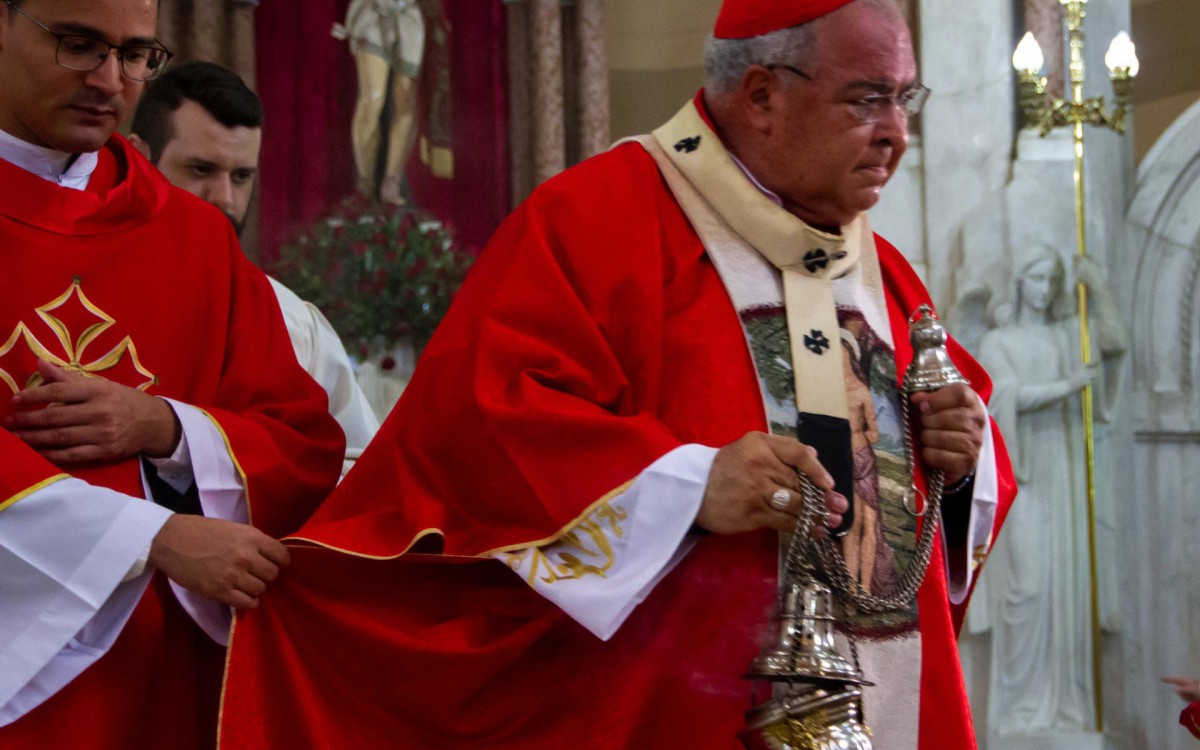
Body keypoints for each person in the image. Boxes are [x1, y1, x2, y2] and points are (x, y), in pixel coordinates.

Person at [219, 0, 1016, 748]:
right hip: (674, 705)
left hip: (883, 704)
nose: (897, 133)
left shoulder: (882, 272)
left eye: (906, 98)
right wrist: (692, 487)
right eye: (867, 99)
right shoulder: (598, 220)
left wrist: (960, 461)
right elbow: (488, 423)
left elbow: (945, 469)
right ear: (762, 95)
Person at [0, 1, 344, 748]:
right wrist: (149, 537)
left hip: (167, 687)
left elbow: (305, 444)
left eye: (135, 55)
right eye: (78, 45)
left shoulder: (195, 237)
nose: (109, 80)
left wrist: (167, 427)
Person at [129, 60, 381, 478]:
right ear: (140, 158)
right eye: (201, 170)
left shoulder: (293, 322)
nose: (225, 198)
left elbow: (358, 470)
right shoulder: (87, 287)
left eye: (242, 176)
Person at [971, 246, 1125, 736]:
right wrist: (1068, 385)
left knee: (1068, 588)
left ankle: (1066, 709)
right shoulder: (998, 341)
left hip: (1065, 469)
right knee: (1027, 587)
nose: (1044, 289)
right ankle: (1017, 709)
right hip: (1023, 473)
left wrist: (1097, 287)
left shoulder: (1066, 334)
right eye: (1035, 279)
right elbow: (1000, 397)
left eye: (1051, 280)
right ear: (1018, 283)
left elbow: (1114, 342)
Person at [333, 0, 425, 204]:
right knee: (372, 100)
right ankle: (365, 183)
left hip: (409, 15)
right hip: (372, 13)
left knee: (406, 103)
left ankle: (391, 182)